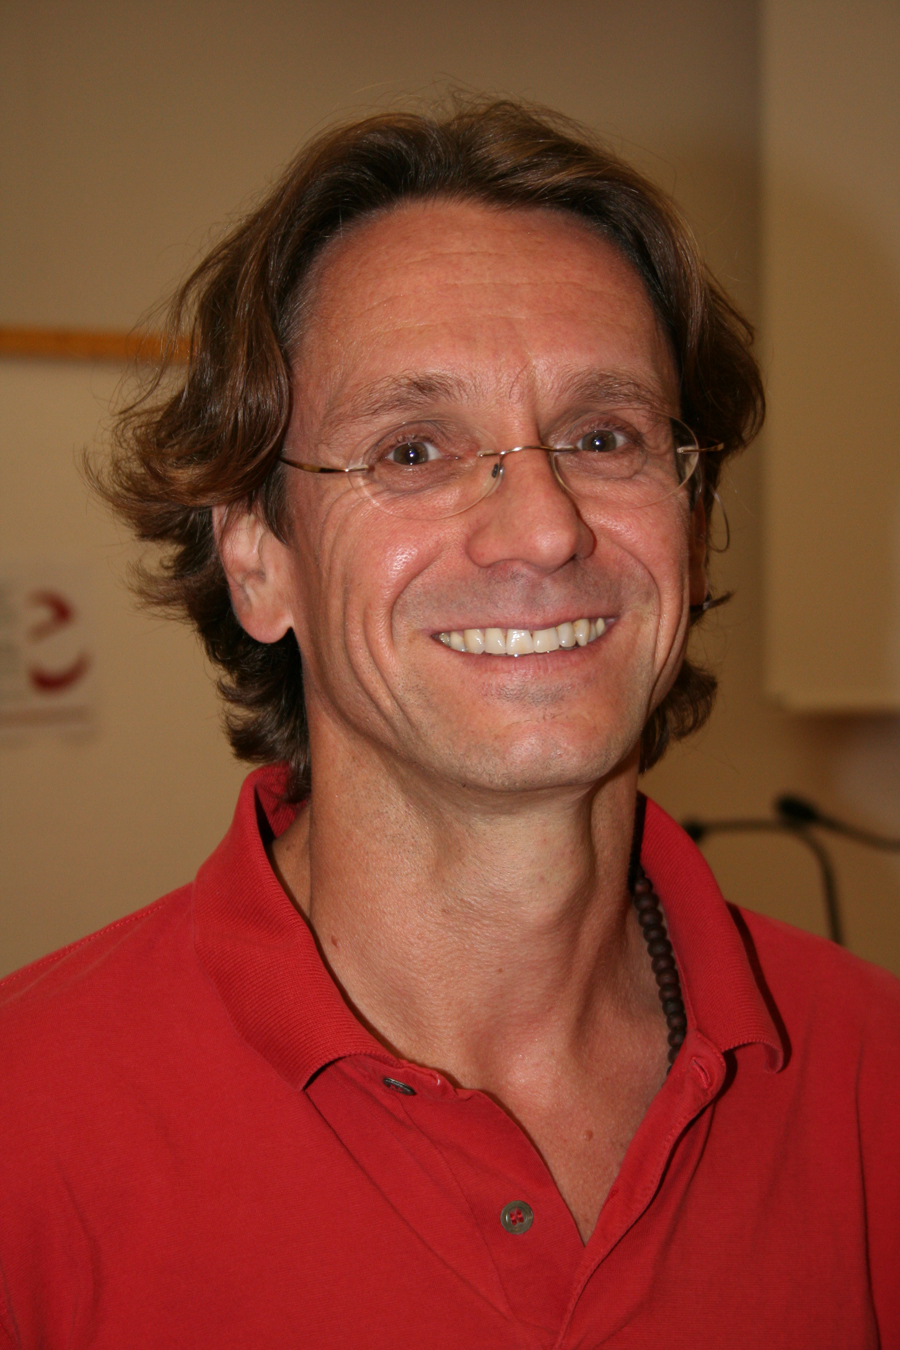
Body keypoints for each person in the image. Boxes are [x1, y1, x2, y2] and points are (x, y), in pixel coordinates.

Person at [1, 99, 898, 1349]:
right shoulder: (29, 1127)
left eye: (604, 436)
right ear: (258, 557)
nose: (544, 528)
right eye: (413, 450)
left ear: (692, 529)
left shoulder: (872, 1077)